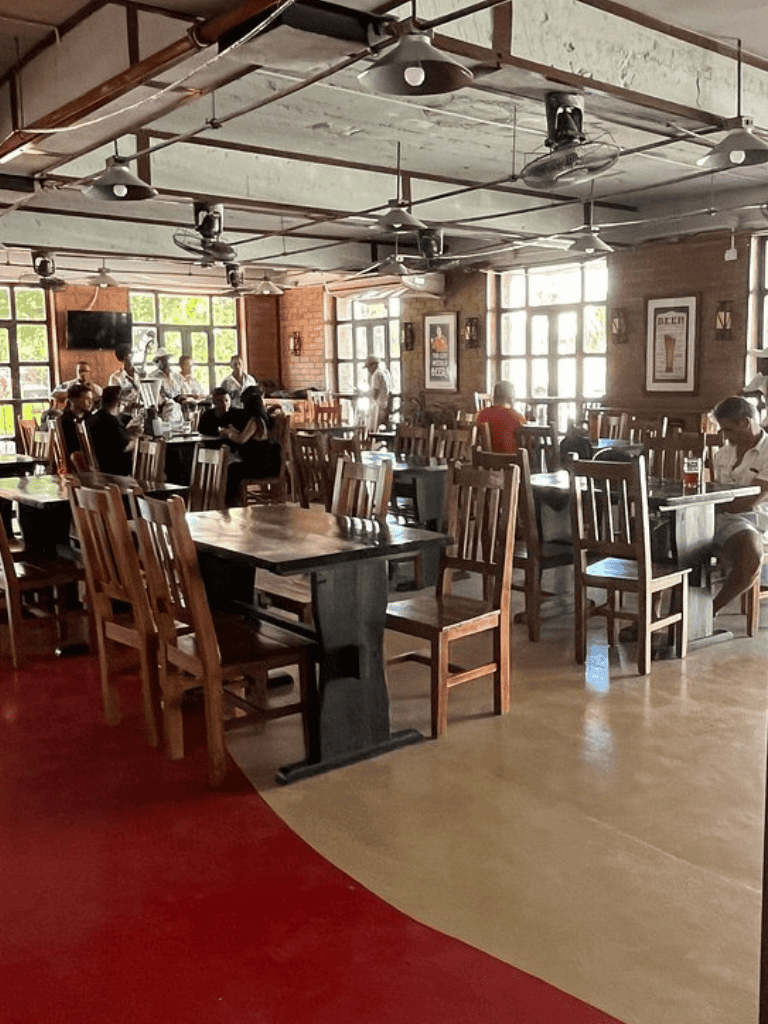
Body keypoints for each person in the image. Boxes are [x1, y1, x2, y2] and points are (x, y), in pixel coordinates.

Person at [711, 395, 768, 616]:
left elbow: (750, 502)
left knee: (750, 553)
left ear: (746, 422)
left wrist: (713, 503)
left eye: (729, 429)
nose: (725, 435)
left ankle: (711, 608)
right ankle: (658, 617)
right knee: (671, 537)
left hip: (753, 518)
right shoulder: (724, 453)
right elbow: (716, 491)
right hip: (722, 516)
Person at [218, 385, 281, 504]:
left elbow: (241, 439)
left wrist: (227, 432)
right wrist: (233, 431)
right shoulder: (264, 418)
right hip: (270, 463)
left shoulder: (255, 420)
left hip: (262, 466)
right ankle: (232, 500)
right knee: (234, 467)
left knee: (232, 469)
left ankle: (231, 502)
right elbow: (245, 435)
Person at [86, 384, 141, 476]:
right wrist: (137, 441)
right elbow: (124, 446)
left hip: (98, 466)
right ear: (119, 403)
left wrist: (127, 431)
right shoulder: (111, 421)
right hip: (113, 471)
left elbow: (112, 440)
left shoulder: (92, 418)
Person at [475, 380, 526, 454]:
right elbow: (524, 434)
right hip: (512, 457)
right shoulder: (515, 415)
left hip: (488, 458)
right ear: (511, 397)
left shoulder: (483, 414)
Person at [59, 382, 94, 466]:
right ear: (73, 400)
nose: (91, 402)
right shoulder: (65, 420)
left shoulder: (89, 417)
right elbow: (73, 447)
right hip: (77, 462)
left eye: (91, 399)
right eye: (87, 399)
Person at [108, 343, 143, 412]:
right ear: (125, 357)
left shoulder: (140, 373)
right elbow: (113, 399)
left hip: (140, 412)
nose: (134, 355)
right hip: (123, 413)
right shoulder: (115, 377)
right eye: (131, 353)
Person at [364, 356, 392, 432]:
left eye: (369, 367)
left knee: (374, 431)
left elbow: (375, 394)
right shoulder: (384, 372)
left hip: (378, 407)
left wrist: (364, 393)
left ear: (374, 365)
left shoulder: (376, 375)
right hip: (384, 406)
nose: (368, 370)